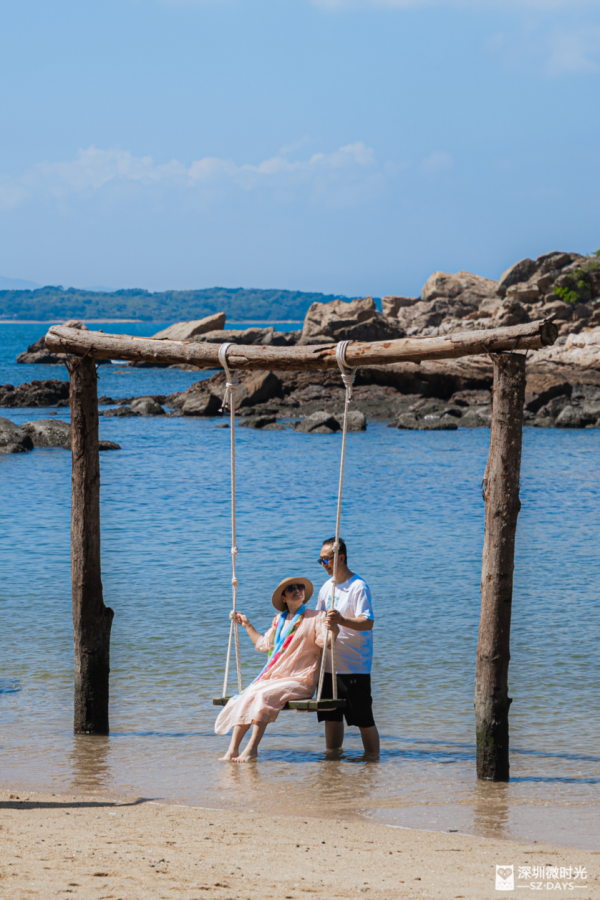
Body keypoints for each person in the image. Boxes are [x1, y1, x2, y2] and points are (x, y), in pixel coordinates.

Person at [215, 576, 337, 762]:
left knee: (263, 696)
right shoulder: (279, 621)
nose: (297, 590)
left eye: (300, 587)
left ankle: (252, 749)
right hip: (275, 678)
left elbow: (325, 641)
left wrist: (334, 631)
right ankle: (232, 750)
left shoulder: (317, 617)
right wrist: (247, 624)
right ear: (284, 598)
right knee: (247, 694)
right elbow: (264, 644)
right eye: (291, 589)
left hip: (300, 679)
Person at [315, 537, 380, 757]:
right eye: (321, 561)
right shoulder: (326, 588)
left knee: (363, 719)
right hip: (329, 666)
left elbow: (368, 622)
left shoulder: (358, 586)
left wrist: (342, 620)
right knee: (331, 718)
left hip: (354, 667)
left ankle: (373, 764)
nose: (323, 565)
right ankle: (332, 764)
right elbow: (319, 624)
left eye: (326, 560)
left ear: (340, 558)